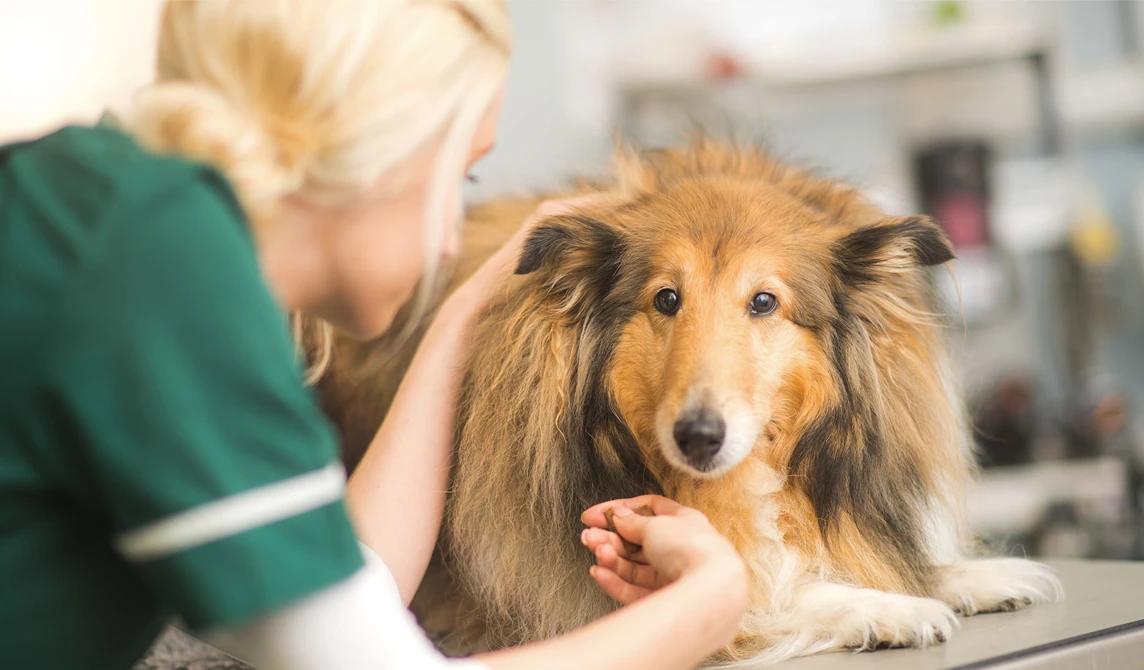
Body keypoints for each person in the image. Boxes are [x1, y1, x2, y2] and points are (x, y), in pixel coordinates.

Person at [0, 2, 749, 669]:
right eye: (463, 178)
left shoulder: (122, 216)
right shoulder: (157, 262)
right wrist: (705, 606)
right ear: (380, 152)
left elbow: (342, 591)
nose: (454, 239)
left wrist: (466, 312)